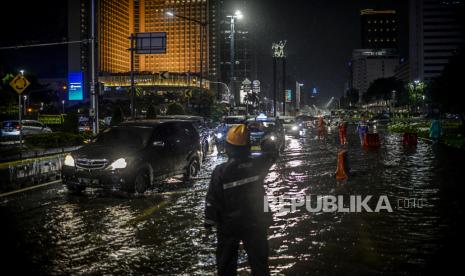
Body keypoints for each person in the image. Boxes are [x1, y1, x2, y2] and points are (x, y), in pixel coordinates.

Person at [205, 124, 276, 276]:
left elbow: (212, 199)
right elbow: (272, 155)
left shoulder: (221, 171)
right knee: (260, 265)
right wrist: (267, 142)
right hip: (256, 222)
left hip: (229, 225)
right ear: (248, 145)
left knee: (226, 265)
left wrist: (209, 221)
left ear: (228, 146)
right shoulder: (258, 165)